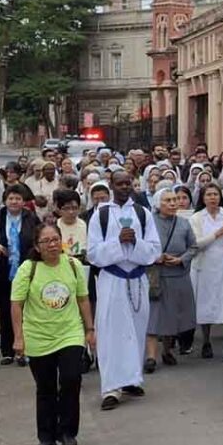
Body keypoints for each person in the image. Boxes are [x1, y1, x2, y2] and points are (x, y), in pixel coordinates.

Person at [10, 224, 94, 445]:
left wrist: (89, 330)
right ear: (37, 246)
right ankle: (46, 436)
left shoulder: (73, 265)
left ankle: (67, 432)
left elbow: (83, 299)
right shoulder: (28, 269)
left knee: (71, 379)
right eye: (46, 241)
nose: (52, 244)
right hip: (38, 336)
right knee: (45, 388)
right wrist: (18, 338)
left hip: (69, 333)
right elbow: (16, 305)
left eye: (56, 239)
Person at [86, 171, 161, 411]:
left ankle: (131, 379)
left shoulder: (142, 213)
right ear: (111, 186)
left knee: (136, 332)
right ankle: (111, 388)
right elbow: (93, 254)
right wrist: (118, 242)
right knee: (111, 334)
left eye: (128, 183)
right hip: (113, 280)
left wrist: (134, 243)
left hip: (138, 279)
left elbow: (154, 250)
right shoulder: (102, 215)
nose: (124, 187)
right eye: (119, 183)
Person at [0, 185, 41, 365]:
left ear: (23, 201)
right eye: (11, 198)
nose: (14, 202)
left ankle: (26, 349)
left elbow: (38, 239)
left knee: (26, 310)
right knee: (5, 310)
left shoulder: (31, 218)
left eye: (18, 198)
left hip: (25, 269)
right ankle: (7, 351)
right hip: (3, 271)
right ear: (5, 201)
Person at [145, 189, 198, 373]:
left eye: (175, 199)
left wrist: (181, 259)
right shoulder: (149, 223)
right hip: (156, 276)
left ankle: (167, 351)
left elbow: (193, 246)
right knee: (154, 316)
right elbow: (142, 246)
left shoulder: (184, 223)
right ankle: (151, 357)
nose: (173, 203)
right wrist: (155, 257)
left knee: (172, 317)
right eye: (168, 200)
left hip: (178, 275)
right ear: (158, 203)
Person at [189, 183, 223, 360]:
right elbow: (196, 243)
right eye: (208, 195)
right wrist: (217, 233)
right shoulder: (196, 218)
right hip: (203, 266)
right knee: (205, 304)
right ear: (203, 197)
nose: (212, 198)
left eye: (215, 194)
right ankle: (206, 340)